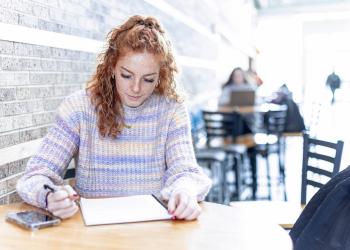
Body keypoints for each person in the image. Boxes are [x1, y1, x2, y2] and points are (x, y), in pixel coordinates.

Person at [16, 15, 212, 221]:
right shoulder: (79, 108)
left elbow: (187, 173)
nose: (136, 88)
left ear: (160, 77)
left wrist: (185, 191)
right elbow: (35, 176)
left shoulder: (171, 110)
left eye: (148, 79)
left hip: (153, 232)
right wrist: (48, 196)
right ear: (111, 67)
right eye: (126, 75)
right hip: (92, 234)